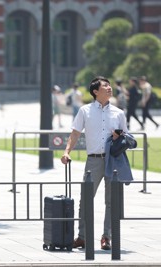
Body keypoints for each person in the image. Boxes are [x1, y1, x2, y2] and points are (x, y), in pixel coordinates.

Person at [61, 76, 129, 251]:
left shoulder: (119, 113)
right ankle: (82, 237)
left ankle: (107, 237)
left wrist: (119, 137)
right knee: (85, 199)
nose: (109, 88)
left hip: (113, 160)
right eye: (105, 86)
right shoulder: (85, 110)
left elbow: (127, 138)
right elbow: (75, 133)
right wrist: (67, 151)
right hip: (93, 160)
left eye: (109, 85)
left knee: (111, 201)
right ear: (95, 91)